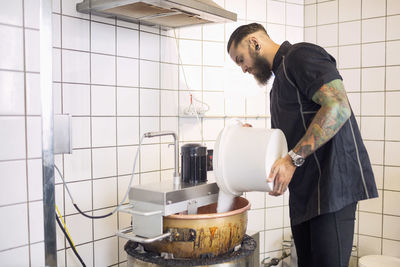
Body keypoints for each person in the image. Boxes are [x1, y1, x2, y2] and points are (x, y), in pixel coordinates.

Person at [227, 23, 378, 267]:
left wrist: (292, 160)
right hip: (306, 193)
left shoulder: (300, 55)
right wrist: (251, 142)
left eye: (241, 59)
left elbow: (338, 107)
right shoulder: (279, 83)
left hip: (332, 187)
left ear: (254, 42)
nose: (244, 69)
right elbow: (294, 134)